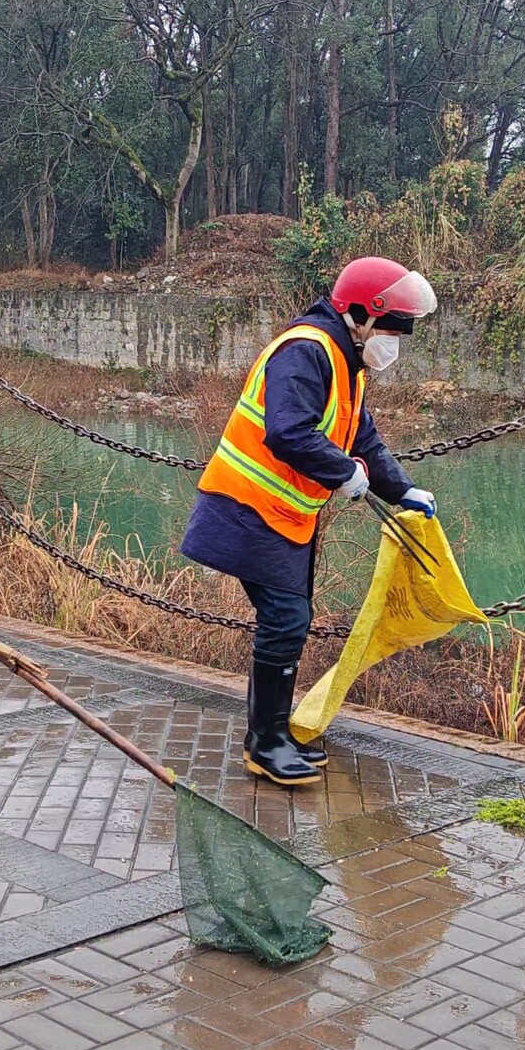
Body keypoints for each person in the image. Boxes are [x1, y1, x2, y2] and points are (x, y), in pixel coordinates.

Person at [180, 256, 439, 786]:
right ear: (362, 315)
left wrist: (401, 488)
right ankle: (266, 743)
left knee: (286, 621)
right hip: (246, 507)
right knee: (287, 620)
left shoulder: (348, 363)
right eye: (391, 329)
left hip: (283, 516)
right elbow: (288, 432)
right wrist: (343, 473)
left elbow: (361, 435)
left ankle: (270, 735)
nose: (395, 341)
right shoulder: (307, 351)